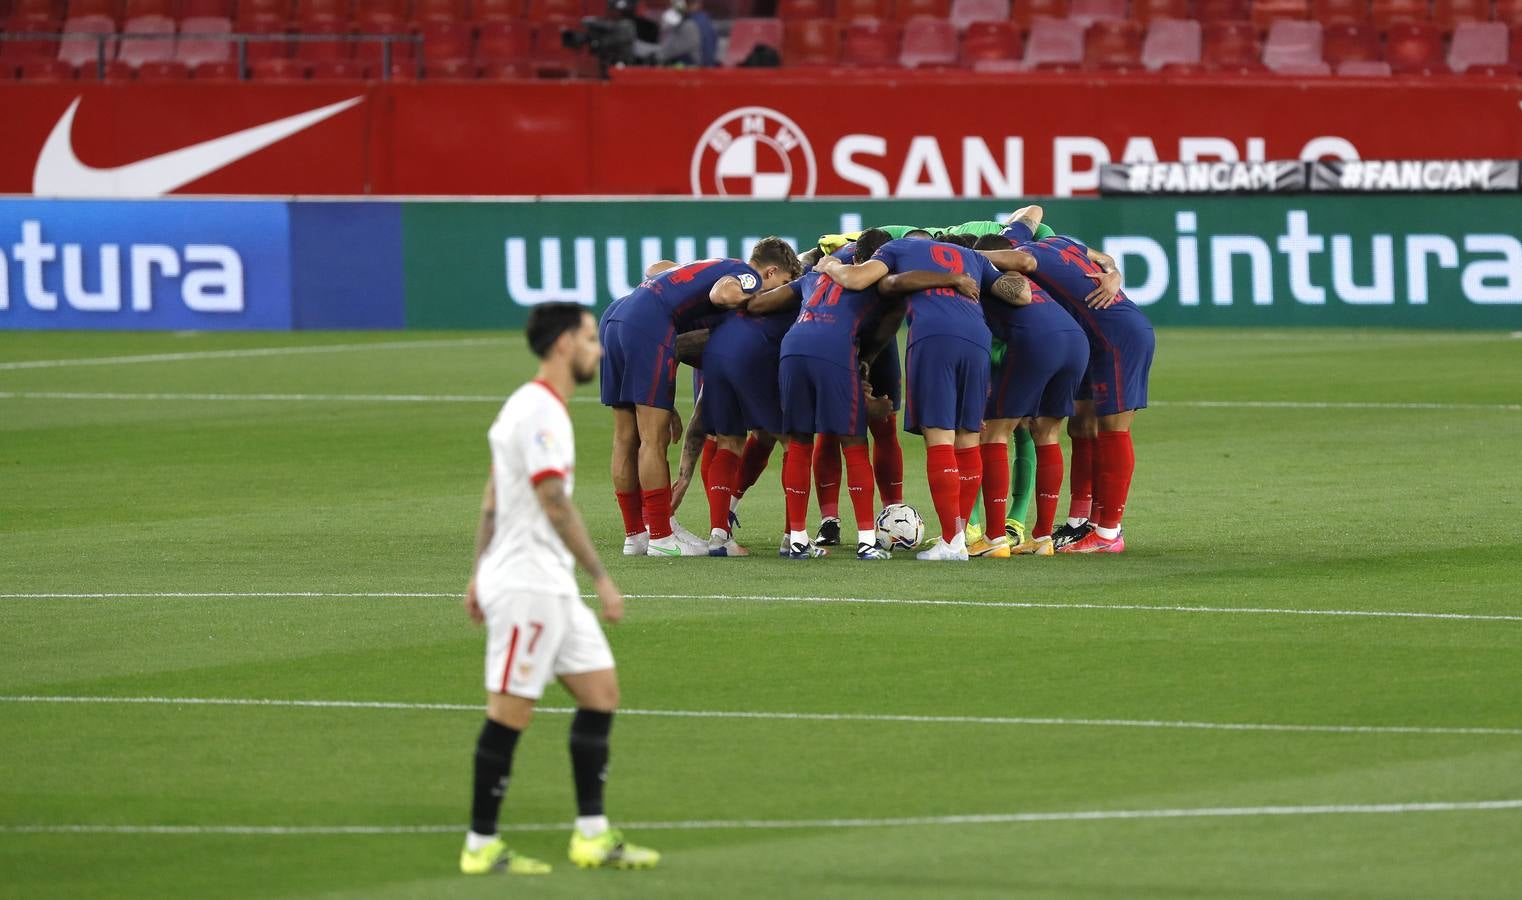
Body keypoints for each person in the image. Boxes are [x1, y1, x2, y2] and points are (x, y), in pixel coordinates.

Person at [460, 303, 658, 877]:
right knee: (509, 713)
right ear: (565, 344)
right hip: (528, 584)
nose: (599, 350)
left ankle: (592, 836)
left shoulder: (531, 408)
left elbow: (494, 498)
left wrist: (477, 571)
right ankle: (481, 843)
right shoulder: (539, 413)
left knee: (600, 693)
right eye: (592, 338)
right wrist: (601, 576)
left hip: (546, 583)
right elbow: (552, 500)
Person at [817, 237, 1030, 560]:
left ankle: (950, 542)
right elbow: (1020, 293)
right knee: (969, 437)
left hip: (933, 337)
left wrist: (830, 264)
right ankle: (961, 536)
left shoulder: (898, 248)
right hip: (978, 338)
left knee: (940, 437)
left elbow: (861, 279)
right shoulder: (972, 256)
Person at [601, 240, 799, 557]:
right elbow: (721, 293)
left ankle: (638, 534)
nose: (782, 292)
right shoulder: (748, 274)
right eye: (785, 283)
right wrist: (753, 300)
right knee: (653, 439)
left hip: (616, 316)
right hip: (648, 324)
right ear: (771, 270)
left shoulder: (713, 262)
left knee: (626, 437)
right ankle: (662, 538)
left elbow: (657, 268)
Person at [987, 207, 1153, 553]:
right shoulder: (1058, 242)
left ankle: (1108, 534)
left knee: (1114, 429)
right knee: (1081, 427)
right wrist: (1113, 273)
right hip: (1092, 337)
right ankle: (1082, 522)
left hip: (1117, 336)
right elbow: (1035, 213)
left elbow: (1023, 263)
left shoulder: (1026, 254)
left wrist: (966, 256)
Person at [965, 233, 1089, 557]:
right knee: (1046, 432)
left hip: (1037, 342)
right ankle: (1043, 538)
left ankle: (993, 539)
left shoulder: (983, 275)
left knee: (994, 432)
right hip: (1076, 341)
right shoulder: (1030, 280)